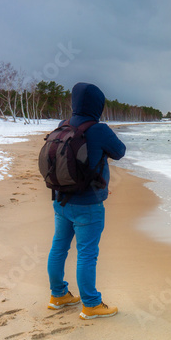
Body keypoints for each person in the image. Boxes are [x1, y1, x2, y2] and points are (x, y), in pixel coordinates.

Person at [47, 82, 126, 319]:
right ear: (97, 105)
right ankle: (91, 304)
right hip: (88, 205)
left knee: (59, 247)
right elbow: (120, 151)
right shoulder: (98, 129)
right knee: (87, 253)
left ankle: (58, 295)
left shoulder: (63, 125)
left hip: (61, 200)